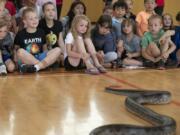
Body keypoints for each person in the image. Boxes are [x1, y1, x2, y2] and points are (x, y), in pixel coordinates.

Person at [14, 7, 61, 73]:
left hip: (40, 56)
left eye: (36, 18)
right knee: (20, 51)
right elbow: (16, 50)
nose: (34, 20)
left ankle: (36, 67)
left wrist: (49, 56)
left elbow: (44, 49)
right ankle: (41, 66)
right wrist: (16, 61)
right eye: (31, 19)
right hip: (28, 59)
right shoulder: (20, 34)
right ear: (25, 21)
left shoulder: (41, 32)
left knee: (58, 49)